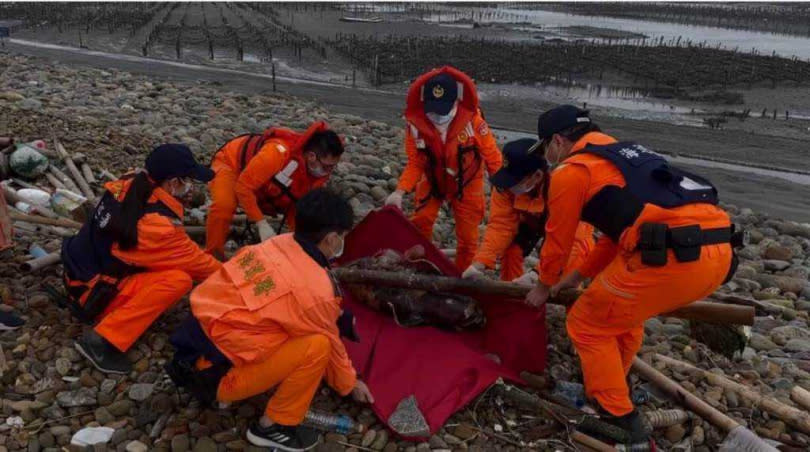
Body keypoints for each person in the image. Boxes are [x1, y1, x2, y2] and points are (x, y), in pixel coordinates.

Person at [524, 105, 737, 441]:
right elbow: (614, 237)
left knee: (587, 323)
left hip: (670, 260)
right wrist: (577, 278)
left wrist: (543, 285)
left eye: (546, 148)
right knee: (621, 314)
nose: (548, 157)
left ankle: (619, 419)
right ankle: (612, 384)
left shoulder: (572, 171)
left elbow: (557, 239)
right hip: (718, 255)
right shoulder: (626, 156)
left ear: (558, 141)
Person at [168, 188, 373, 452]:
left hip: (188, 349)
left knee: (283, 321)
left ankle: (228, 389)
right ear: (332, 238)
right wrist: (349, 384)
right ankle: (274, 426)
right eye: (343, 236)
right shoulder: (316, 291)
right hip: (214, 377)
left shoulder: (276, 243)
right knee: (318, 345)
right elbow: (331, 341)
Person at [62, 144, 222, 374]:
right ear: (173, 182)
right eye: (188, 181)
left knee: (170, 268)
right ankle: (101, 341)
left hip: (79, 272)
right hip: (92, 292)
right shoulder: (157, 227)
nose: (191, 188)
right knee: (179, 281)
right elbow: (204, 267)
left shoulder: (127, 183)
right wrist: (244, 273)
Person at [385, 66, 502, 270]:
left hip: (467, 184)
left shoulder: (474, 122)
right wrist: (399, 191)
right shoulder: (415, 124)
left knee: (468, 238)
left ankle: (463, 277)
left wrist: (504, 191)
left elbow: (493, 157)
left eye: (443, 109)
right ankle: (421, 267)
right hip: (433, 180)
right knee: (421, 222)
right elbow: (416, 162)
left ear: (455, 102)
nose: (437, 115)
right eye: (432, 109)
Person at [461, 138, 595, 284]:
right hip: (531, 221)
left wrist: (538, 275)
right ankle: (511, 297)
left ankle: (570, 300)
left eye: (515, 181)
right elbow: (500, 226)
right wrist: (481, 262)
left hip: (563, 227)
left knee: (571, 270)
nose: (509, 186)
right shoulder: (505, 184)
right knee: (512, 252)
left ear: (537, 176)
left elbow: (576, 242)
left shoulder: (566, 187)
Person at [205, 121, 344, 258]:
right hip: (231, 164)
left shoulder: (315, 172)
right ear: (312, 156)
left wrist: (304, 241)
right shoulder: (277, 153)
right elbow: (243, 187)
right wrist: (261, 223)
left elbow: (296, 205)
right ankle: (213, 256)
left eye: (332, 167)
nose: (328, 172)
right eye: (327, 167)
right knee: (224, 205)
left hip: (260, 181)